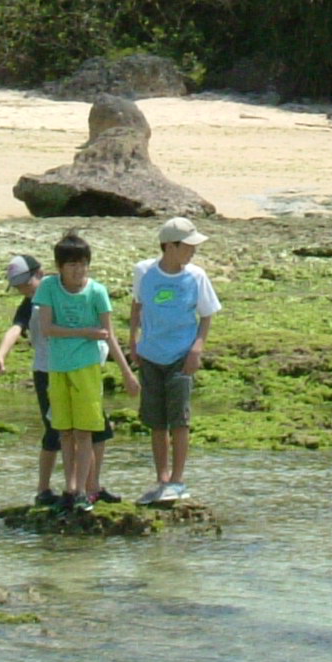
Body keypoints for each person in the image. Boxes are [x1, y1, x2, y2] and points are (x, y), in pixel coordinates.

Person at [0, 253, 112, 508]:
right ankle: (45, 489)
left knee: (95, 428)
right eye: (18, 287)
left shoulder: (61, 290)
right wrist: (1, 355)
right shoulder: (32, 301)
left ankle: (92, 487)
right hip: (49, 370)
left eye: (26, 283)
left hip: (83, 367)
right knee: (56, 431)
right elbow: (16, 328)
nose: (23, 290)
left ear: (40, 273)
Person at [32, 232, 139, 510]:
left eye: (82, 264)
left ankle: (80, 489)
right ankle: (71, 488)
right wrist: (85, 332)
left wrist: (127, 373)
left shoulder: (97, 291)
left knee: (84, 431)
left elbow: (109, 335)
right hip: (57, 368)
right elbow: (47, 328)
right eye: (71, 265)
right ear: (60, 267)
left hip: (87, 368)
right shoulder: (49, 288)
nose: (78, 270)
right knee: (64, 431)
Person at [129, 216, 221, 504]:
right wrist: (133, 341)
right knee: (156, 421)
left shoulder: (196, 276)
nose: (193, 251)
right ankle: (162, 479)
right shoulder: (144, 272)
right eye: (188, 246)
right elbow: (136, 306)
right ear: (170, 246)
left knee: (179, 420)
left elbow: (206, 315)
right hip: (151, 355)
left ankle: (178, 481)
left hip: (181, 357)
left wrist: (197, 349)